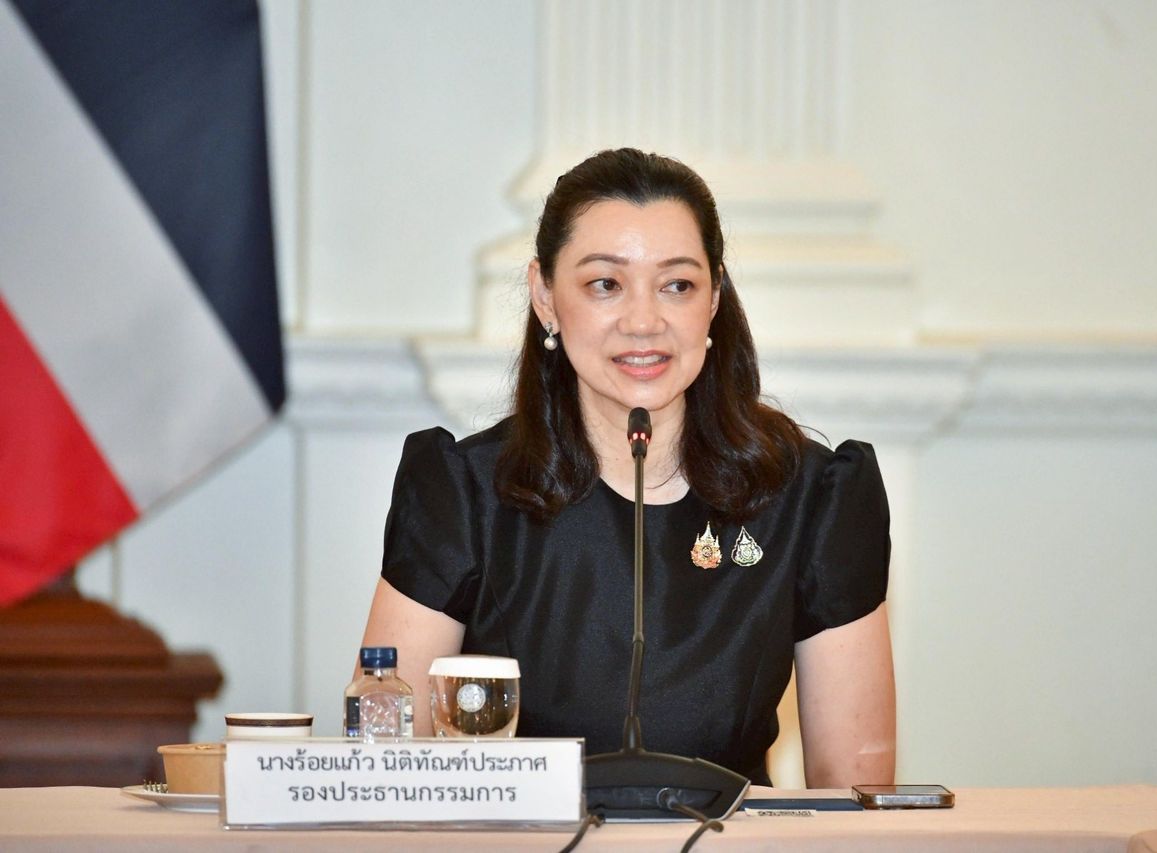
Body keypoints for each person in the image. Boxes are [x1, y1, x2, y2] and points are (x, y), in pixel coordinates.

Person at [359, 148, 895, 787]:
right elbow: (385, 778)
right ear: (546, 297)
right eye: (605, 284)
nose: (644, 322)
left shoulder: (814, 498)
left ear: (714, 298)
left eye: (678, 285)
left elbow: (854, 798)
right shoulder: (462, 492)